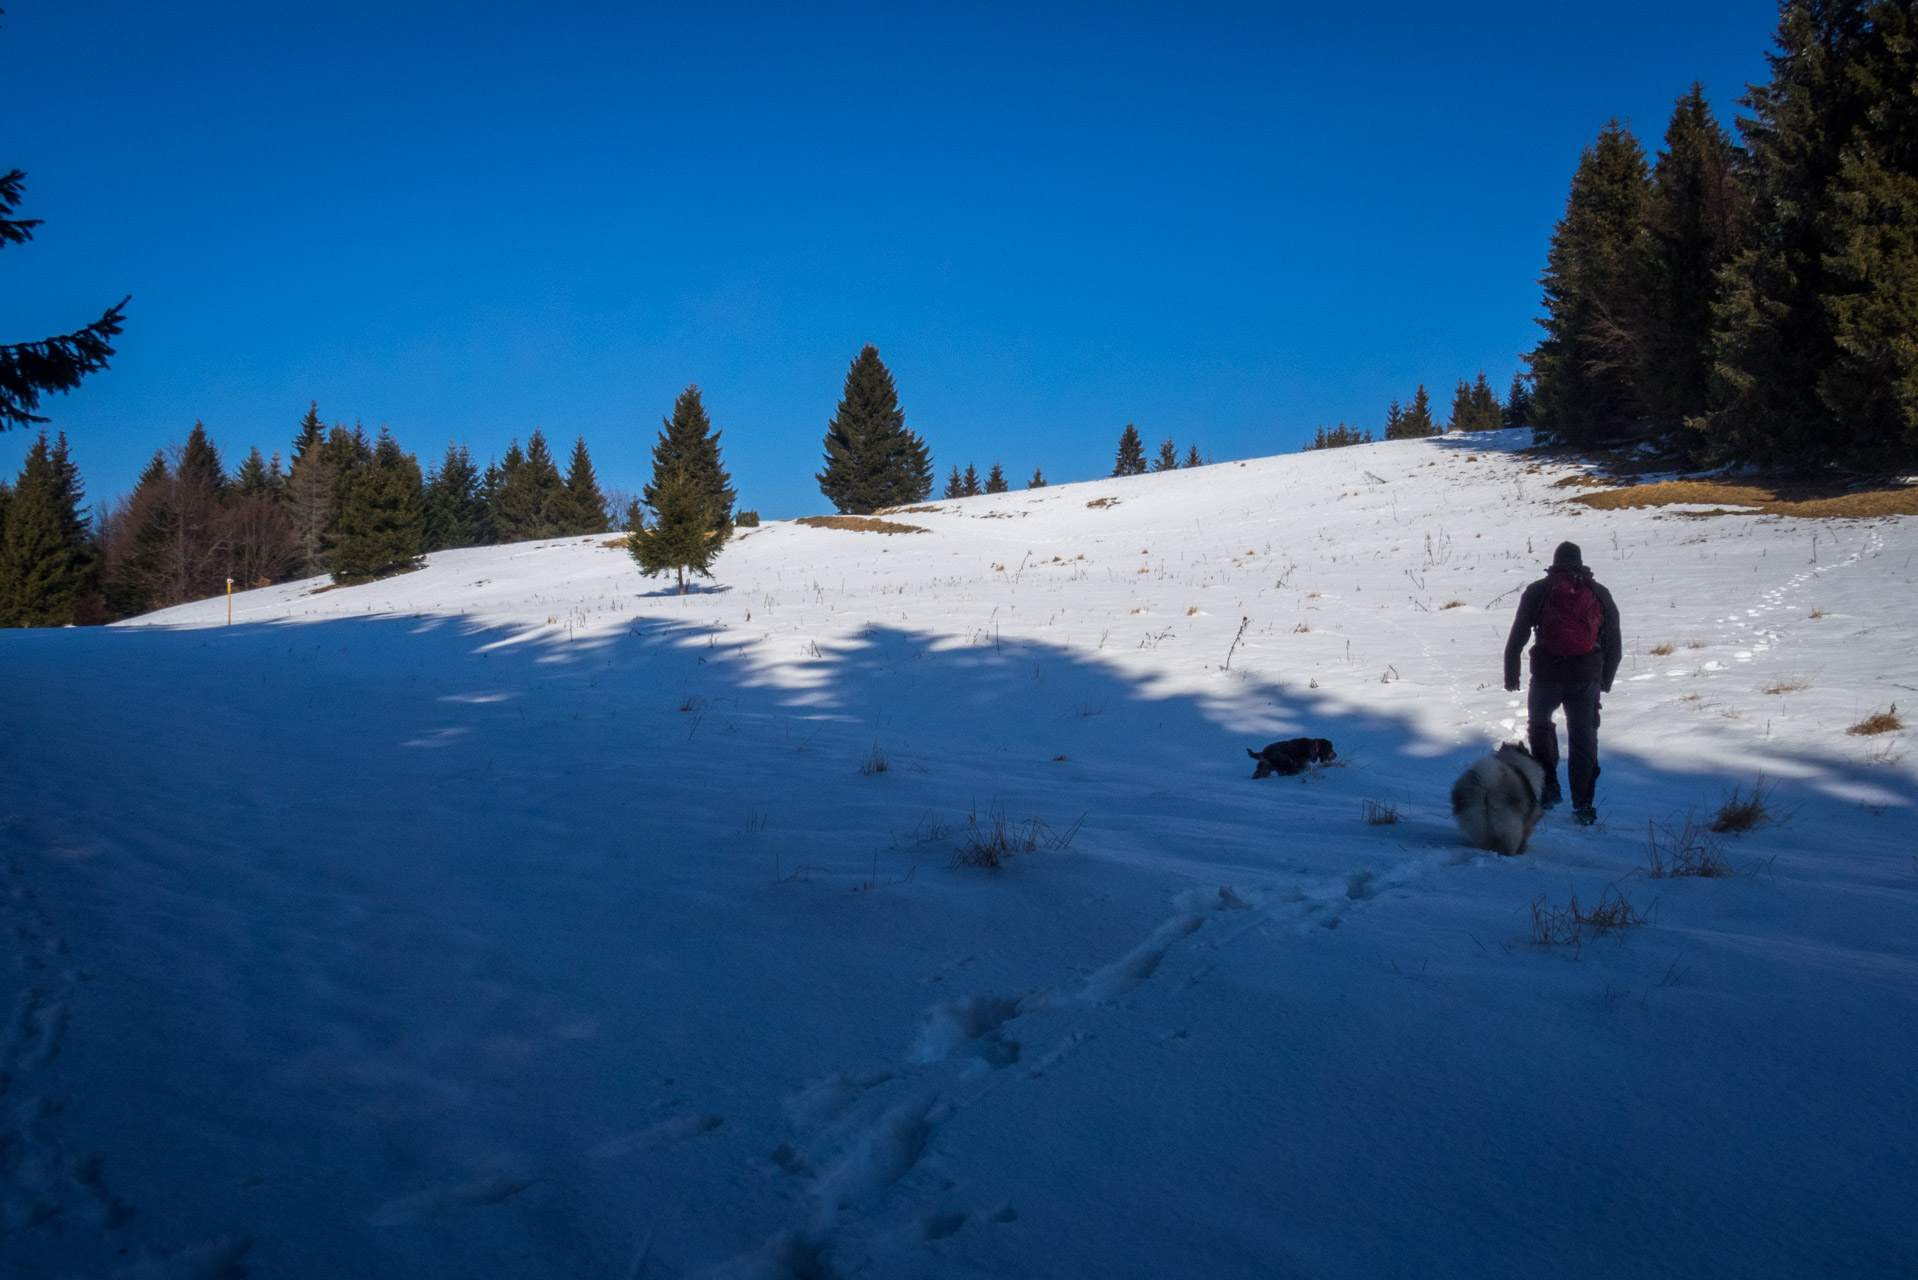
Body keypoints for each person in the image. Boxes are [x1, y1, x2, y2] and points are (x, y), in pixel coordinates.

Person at [1503, 541, 1622, 825]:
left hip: (1546, 674)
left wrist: (1512, 674)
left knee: (1540, 725)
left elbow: (1518, 632)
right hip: (1586, 676)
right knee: (1583, 740)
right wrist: (1604, 681)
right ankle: (1583, 806)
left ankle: (1549, 784)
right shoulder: (1599, 593)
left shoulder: (1539, 590)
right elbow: (1614, 643)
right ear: (1581, 563)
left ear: (1554, 563)